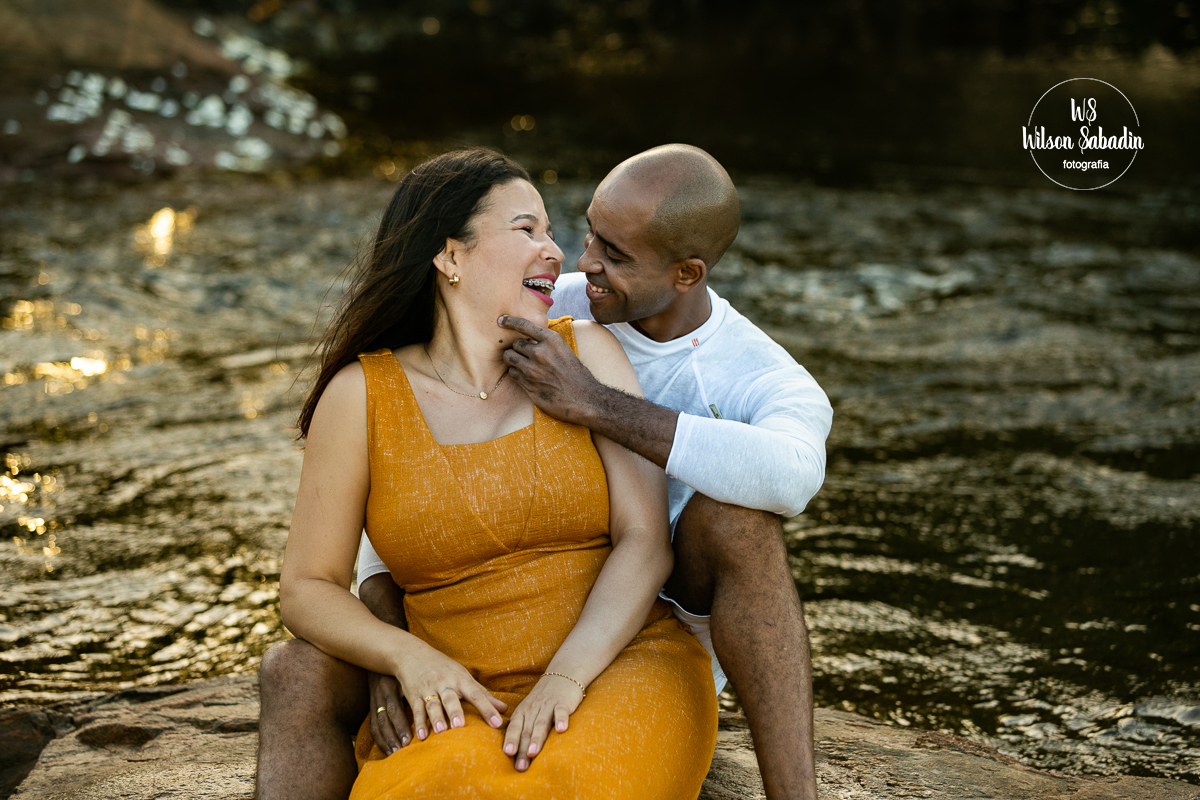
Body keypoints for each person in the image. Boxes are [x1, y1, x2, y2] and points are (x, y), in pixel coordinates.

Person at [258, 144, 832, 800]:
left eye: (613, 253)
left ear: (686, 273)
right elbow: (366, 529)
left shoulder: (631, 352)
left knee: (738, 525)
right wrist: (394, 650)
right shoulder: (382, 383)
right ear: (449, 256)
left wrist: (594, 403)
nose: (573, 259)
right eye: (548, 230)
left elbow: (768, 487)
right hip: (458, 662)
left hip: (628, 639)